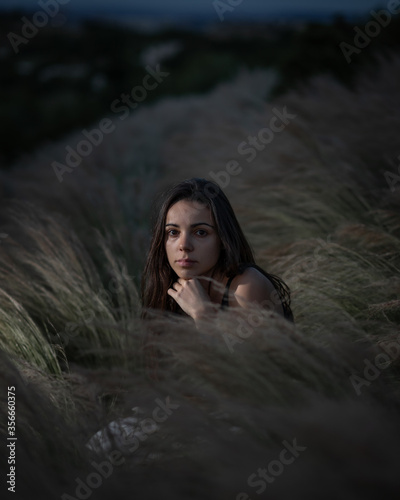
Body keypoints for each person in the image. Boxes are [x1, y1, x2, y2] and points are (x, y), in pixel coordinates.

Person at [141, 177, 293, 323]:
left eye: (200, 232)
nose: (184, 245)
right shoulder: (169, 289)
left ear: (222, 239)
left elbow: (244, 351)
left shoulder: (246, 286)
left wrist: (203, 314)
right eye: (173, 232)